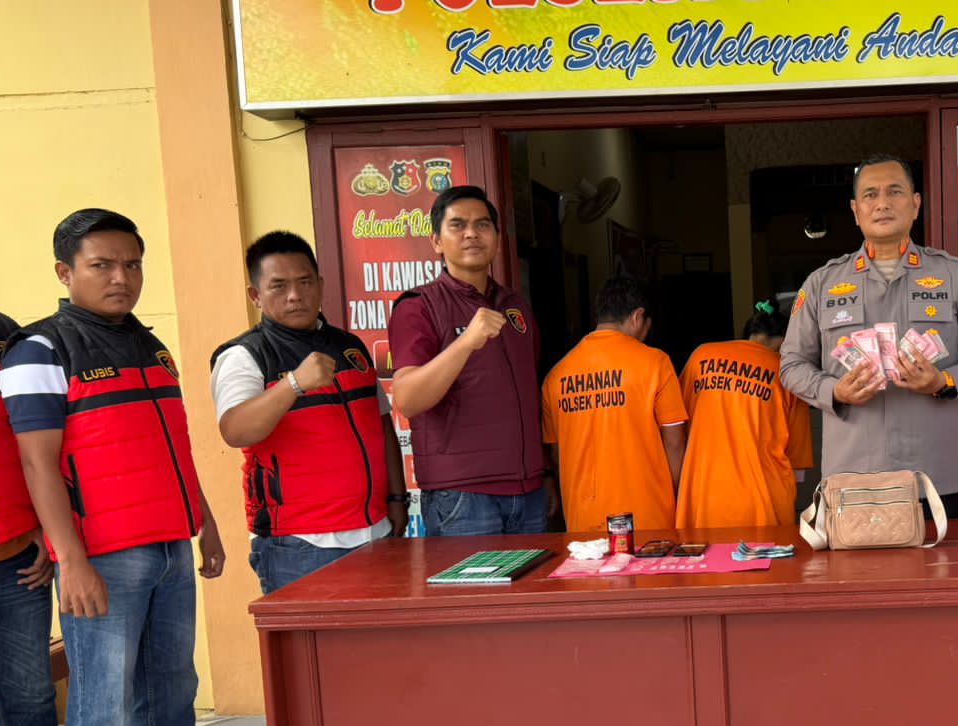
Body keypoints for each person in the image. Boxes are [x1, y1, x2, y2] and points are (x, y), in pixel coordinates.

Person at [2, 209, 245, 726]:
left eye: (132, 263)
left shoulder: (149, 345)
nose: (121, 277)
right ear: (64, 272)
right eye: (102, 265)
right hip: (104, 558)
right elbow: (38, 465)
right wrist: (71, 559)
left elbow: (174, 443)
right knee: (102, 709)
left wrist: (204, 521)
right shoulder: (39, 352)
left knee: (171, 685)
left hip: (167, 543)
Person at [780, 155, 958, 517]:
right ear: (855, 210)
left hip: (935, 478)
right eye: (870, 194)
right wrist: (834, 391)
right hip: (854, 478)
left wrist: (944, 381)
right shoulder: (822, 283)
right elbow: (791, 365)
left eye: (894, 192)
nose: (882, 203)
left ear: (916, 204)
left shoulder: (956, 276)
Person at [211, 231, 408, 594]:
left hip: (377, 531)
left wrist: (398, 499)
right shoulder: (244, 355)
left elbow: (382, 427)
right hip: (300, 545)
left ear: (320, 284)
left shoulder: (349, 346)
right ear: (255, 295)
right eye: (278, 285)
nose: (294, 295)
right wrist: (294, 384)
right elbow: (235, 430)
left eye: (304, 282)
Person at [388, 184, 554, 535]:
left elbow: (529, 394)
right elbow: (407, 398)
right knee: (474, 578)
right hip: (463, 496)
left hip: (529, 491)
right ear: (436, 241)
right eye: (458, 225)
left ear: (497, 238)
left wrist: (546, 473)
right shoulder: (418, 306)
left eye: (482, 225)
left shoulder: (515, 306)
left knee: (536, 576)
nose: (471, 234)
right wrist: (465, 342)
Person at [0, 306, 74, 726]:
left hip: (13, 556)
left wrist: (43, 528)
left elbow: (31, 443)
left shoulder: (4, 335)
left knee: (28, 694)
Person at [542, 277, 688, 533]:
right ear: (638, 317)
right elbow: (674, 442)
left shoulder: (556, 376)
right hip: (648, 518)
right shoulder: (656, 363)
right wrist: (675, 494)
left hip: (583, 522)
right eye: (647, 328)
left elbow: (556, 453)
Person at [676, 300, 812, 530]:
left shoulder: (701, 356)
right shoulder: (786, 373)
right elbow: (797, 462)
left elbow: (675, 427)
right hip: (763, 498)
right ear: (784, 341)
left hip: (703, 495)